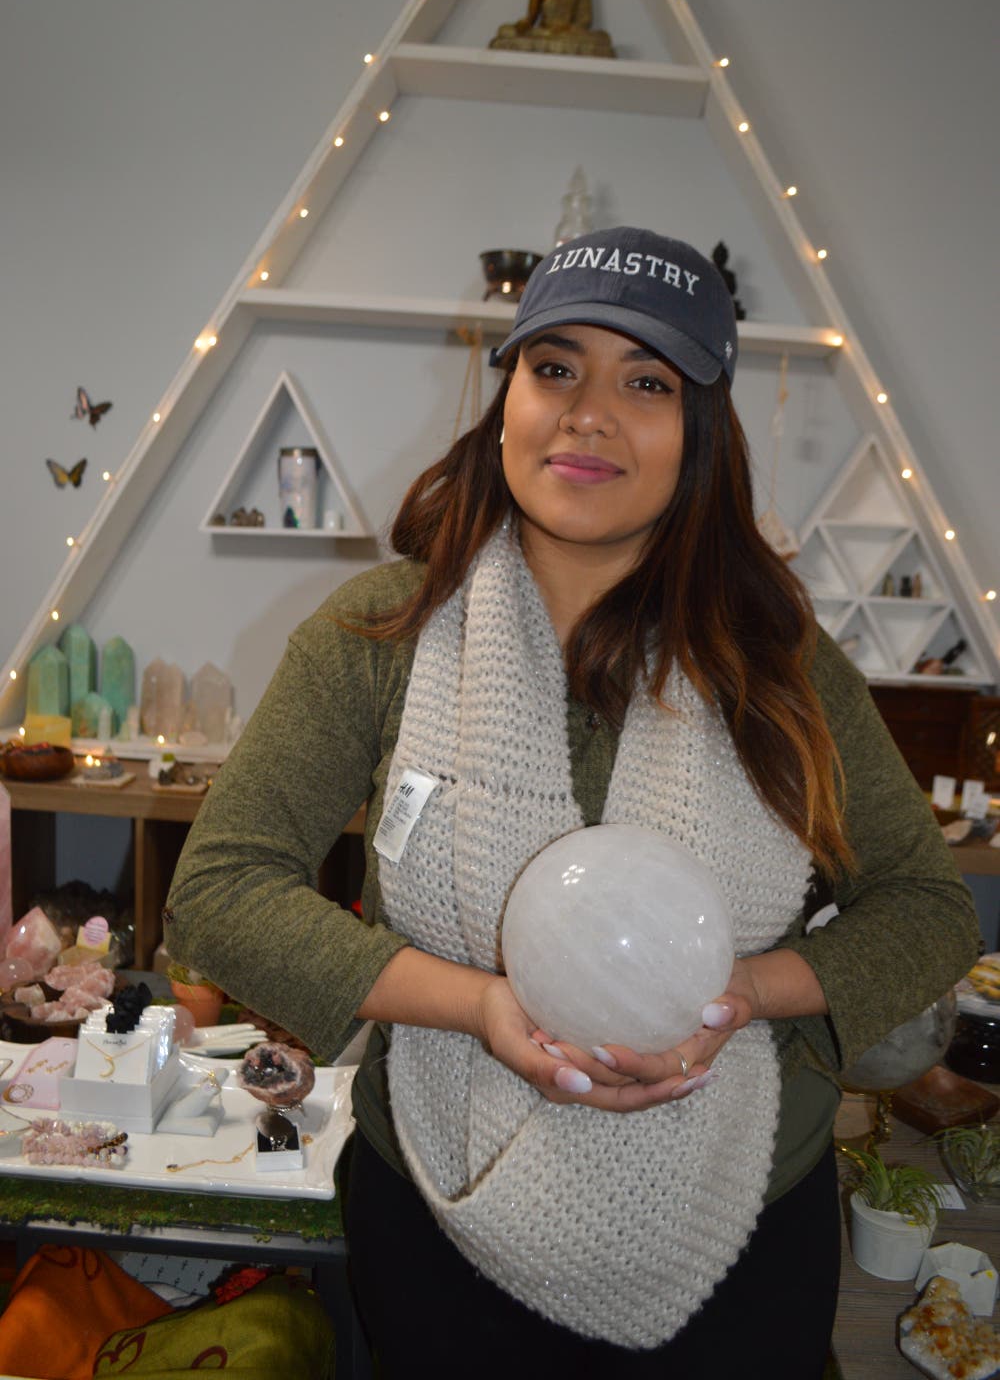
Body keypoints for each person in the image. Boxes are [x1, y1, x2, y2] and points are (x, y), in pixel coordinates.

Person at [165, 226, 980, 1378]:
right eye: (555, 367)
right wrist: (478, 1006)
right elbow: (220, 890)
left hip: (739, 1224)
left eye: (645, 381)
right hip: (443, 1222)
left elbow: (927, 907)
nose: (588, 412)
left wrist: (745, 991)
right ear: (506, 400)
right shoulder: (379, 635)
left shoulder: (780, 656)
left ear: (699, 431)